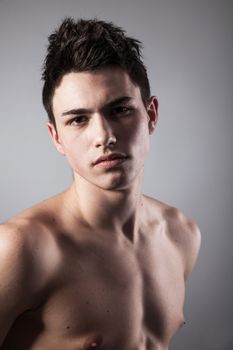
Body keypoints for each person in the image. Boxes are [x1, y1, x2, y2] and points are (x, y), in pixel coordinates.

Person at [0, 17, 201, 350]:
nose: (104, 136)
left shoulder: (182, 235)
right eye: (78, 119)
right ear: (56, 137)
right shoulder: (21, 250)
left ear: (150, 115)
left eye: (119, 110)